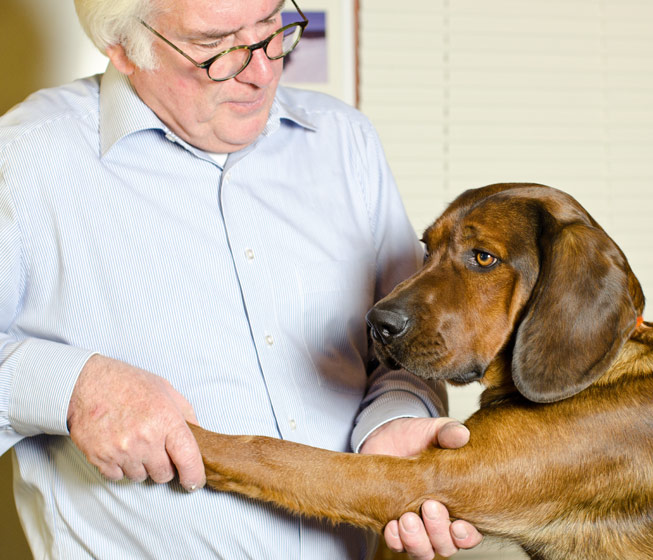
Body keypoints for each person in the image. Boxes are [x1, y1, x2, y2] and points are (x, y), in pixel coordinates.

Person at [0, 0, 483, 557]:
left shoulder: (346, 142)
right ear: (122, 48)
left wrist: (394, 421)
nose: (261, 71)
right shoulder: (24, 158)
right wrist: (75, 388)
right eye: (215, 47)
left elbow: (401, 356)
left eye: (271, 27)